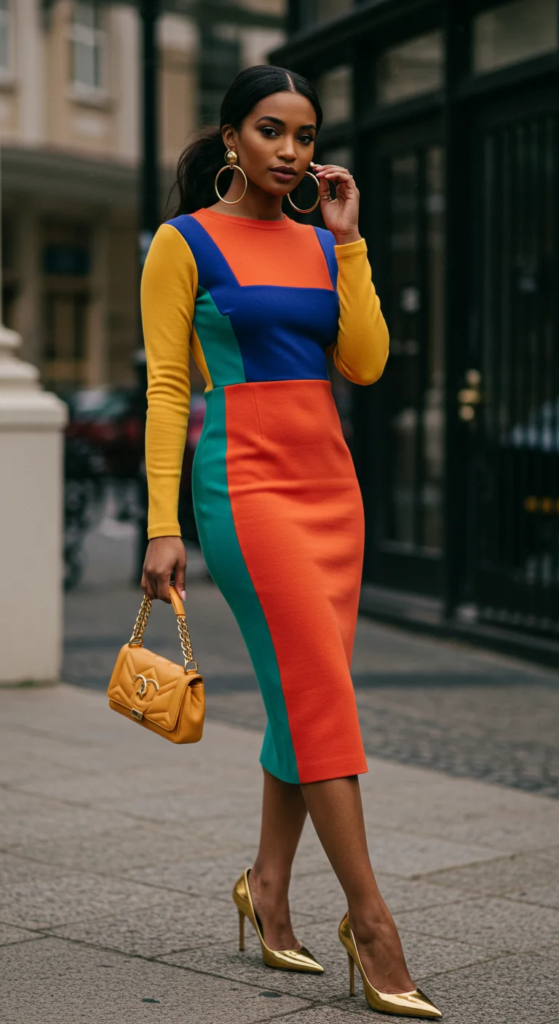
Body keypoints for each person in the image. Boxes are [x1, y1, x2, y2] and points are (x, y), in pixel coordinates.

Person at [140, 64, 441, 1019]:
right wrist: (160, 524)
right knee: (316, 693)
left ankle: (265, 888)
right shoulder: (183, 242)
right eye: (271, 130)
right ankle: (372, 924)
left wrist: (349, 247)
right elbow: (166, 389)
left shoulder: (319, 244)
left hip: (329, 485)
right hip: (245, 484)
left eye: (305, 136)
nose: (290, 150)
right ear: (231, 136)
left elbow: (365, 362)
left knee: (304, 694)